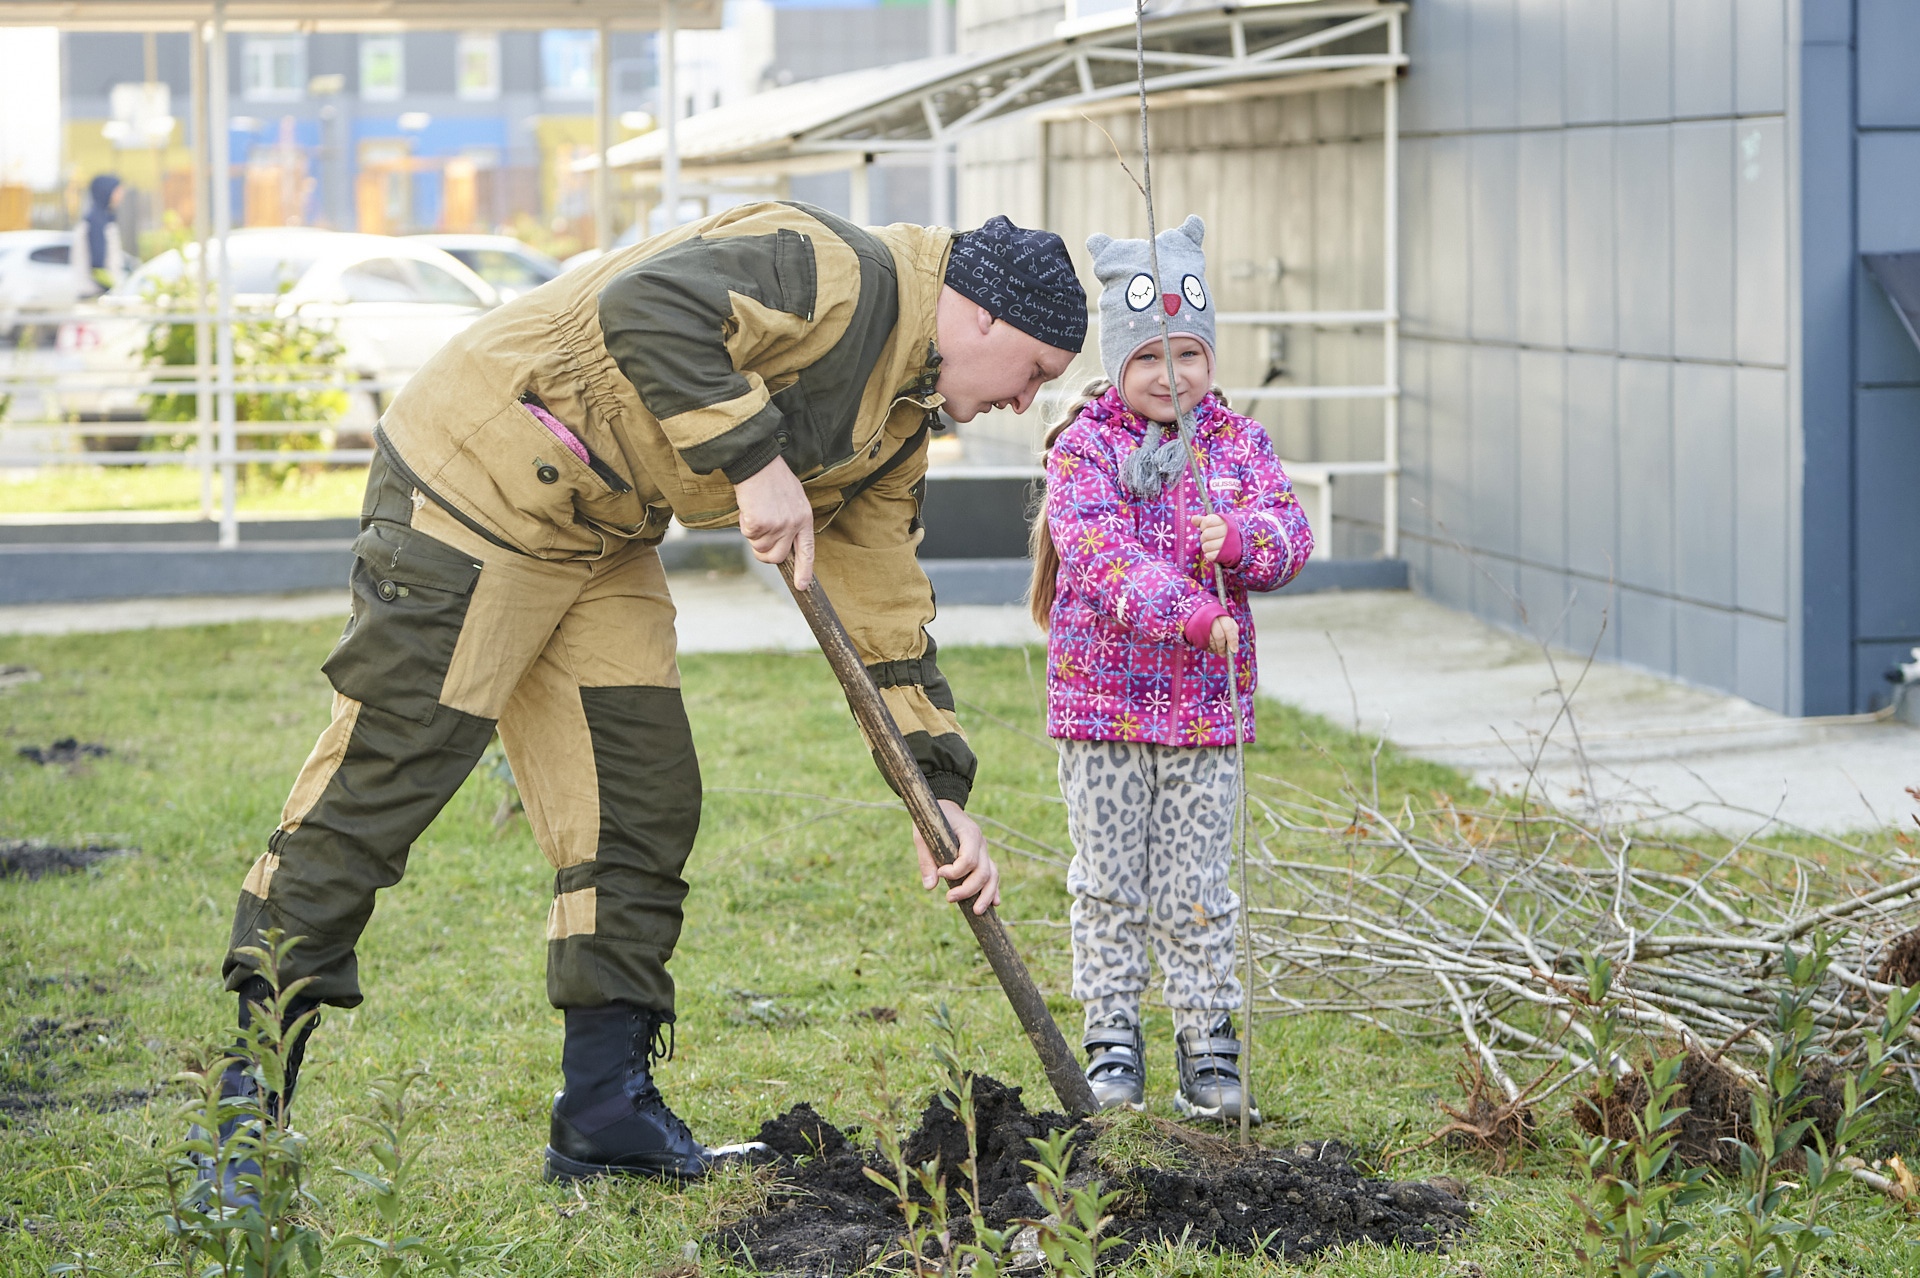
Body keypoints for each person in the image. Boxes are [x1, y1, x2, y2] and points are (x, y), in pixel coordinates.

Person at [210, 203, 1086, 1188]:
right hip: (481, 476)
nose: (1027, 402)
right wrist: (757, 464)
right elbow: (651, 303)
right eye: (1036, 374)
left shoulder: (896, 424)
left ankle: (602, 1111)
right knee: (385, 778)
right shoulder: (829, 268)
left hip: (596, 530)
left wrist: (939, 789)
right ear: (980, 317)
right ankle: (244, 1113)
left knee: (639, 798)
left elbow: (884, 608)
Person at [1027, 216, 1312, 1122]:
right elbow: (1099, 554)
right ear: (1117, 362)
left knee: (1197, 886)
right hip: (1104, 708)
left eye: (1188, 353)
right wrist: (1189, 609)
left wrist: (1246, 541)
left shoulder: (1239, 447)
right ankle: (1112, 1033)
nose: (1171, 375)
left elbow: (1292, 536)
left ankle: (1206, 1041)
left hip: (1204, 717)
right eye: (1149, 357)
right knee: (1108, 879)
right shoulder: (1086, 450)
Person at [73, 174, 126, 295]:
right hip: (94, 295)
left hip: (94, 294)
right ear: (106, 191)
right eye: (117, 191)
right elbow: (97, 268)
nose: (121, 195)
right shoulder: (96, 222)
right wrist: (114, 289)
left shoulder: (100, 218)